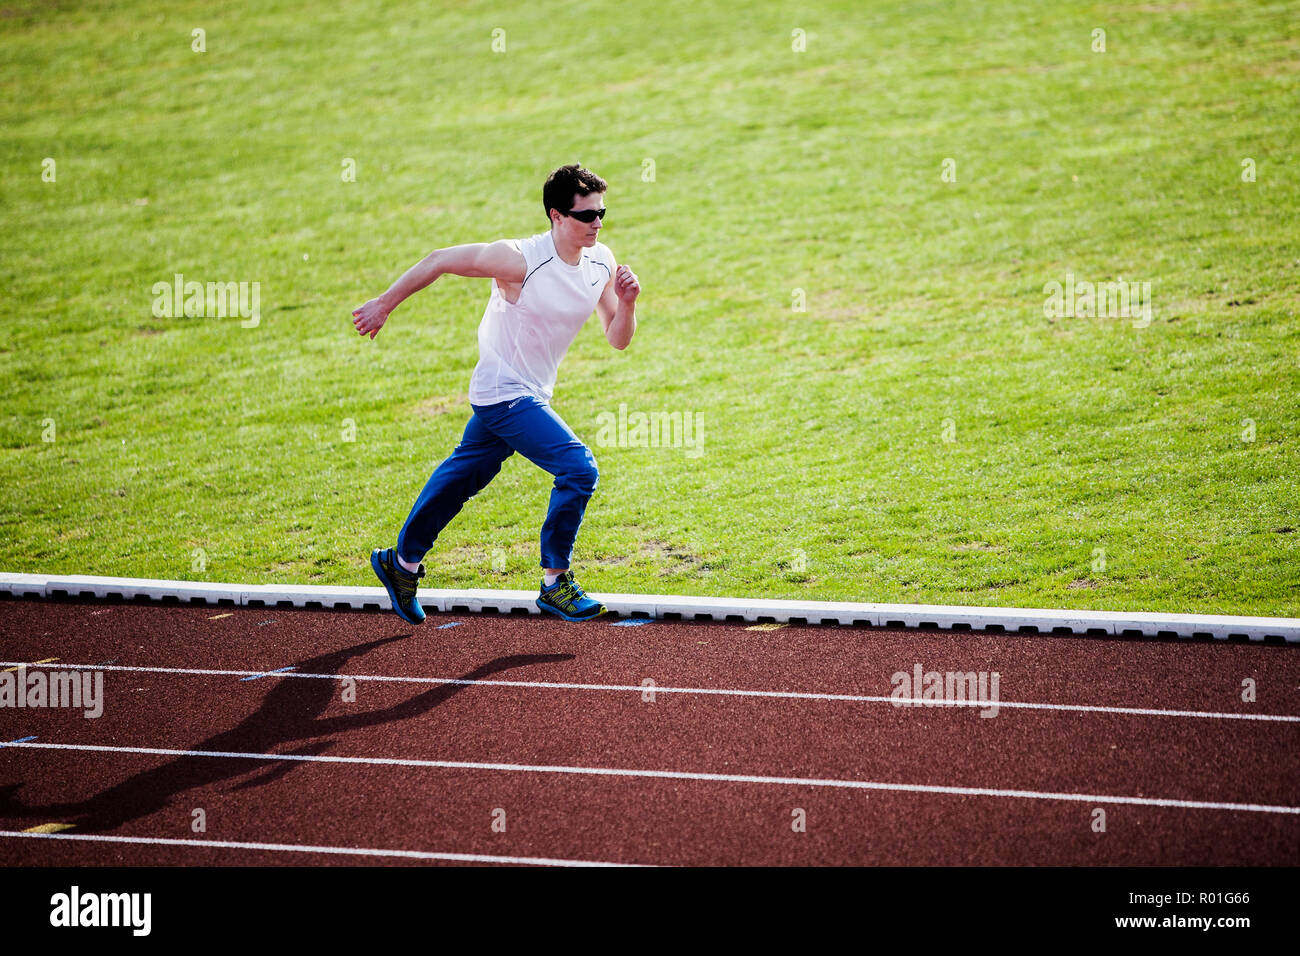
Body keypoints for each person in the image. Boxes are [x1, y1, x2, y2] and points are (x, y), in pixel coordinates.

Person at [350, 164, 640, 624]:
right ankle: (555, 583)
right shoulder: (518, 260)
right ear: (556, 216)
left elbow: (617, 338)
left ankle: (400, 563)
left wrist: (626, 304)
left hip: (532, 392)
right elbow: (440, 258)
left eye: (601, 213)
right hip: (504, 391)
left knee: (462, 478)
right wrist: (383, 304)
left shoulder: (601, 260)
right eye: (586, 216)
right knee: (578, 466)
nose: (597, 223)